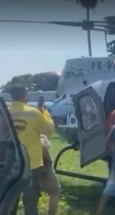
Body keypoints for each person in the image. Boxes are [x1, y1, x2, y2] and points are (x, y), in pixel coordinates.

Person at [8, 86, 55, 215]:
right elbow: (49, 130)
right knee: (31, 203)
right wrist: (45, 113)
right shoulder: (33, 113)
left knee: (11, 202)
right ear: (24, 95)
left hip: (11, 164)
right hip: (32, 164)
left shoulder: (5, 113)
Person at [40, 134, 61, 215]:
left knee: (31, 194)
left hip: (27, 166)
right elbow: (43, 147)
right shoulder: (38, 134)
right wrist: (49, 161)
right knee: (55, 191)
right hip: (42, 166)